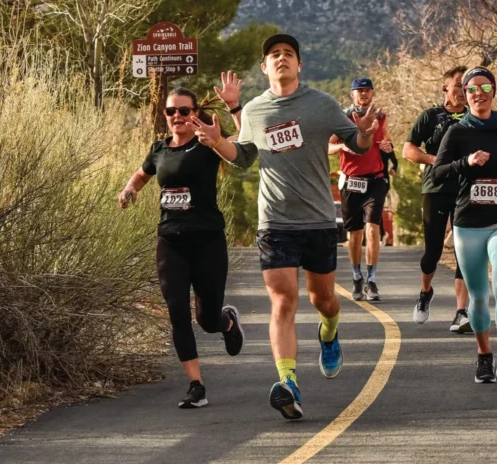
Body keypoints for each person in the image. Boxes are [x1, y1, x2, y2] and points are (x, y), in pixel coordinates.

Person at [192, 34, 378, 421]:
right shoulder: (256, 111)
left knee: (322, 300)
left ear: (299, 65)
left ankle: (329, 332)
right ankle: (288, 383)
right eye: (274, 55)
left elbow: (357, 145)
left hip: (318, 221)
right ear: (264, 67)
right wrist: (216, 142)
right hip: (275, 222)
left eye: (288, 54)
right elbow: (242, 156)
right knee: (282, 301)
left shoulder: (322, 104)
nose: (281, 59)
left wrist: (364, 132)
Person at [118, 80, 245, 409]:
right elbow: (143, 174)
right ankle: (196, 385)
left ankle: (227, 322)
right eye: (171, 111)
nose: (177, 116)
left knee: (206, 318)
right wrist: (130, 189)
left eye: (184, 110)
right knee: (177, 312)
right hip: (170, 241)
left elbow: (246, 145)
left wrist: (233, 108)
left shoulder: (208, 145)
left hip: (207, 242)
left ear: (195, 114)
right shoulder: (159, 149)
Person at [433, 67, 497, 384]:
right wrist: (466, 163)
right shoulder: (457, 132)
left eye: (485, 86)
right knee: (478, 297)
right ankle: (483, 356)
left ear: (493, 91)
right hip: (467, 224)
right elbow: (438, 172)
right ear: (464, 94)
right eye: (472, 88)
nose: (479, 93)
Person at [403, 66, 471, 332]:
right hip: (436, 187)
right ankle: (425, 291)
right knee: (432, 251)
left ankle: (461, 312)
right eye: (457, 85)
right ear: (446, 87)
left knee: (464, 250)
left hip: (466, 189)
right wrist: (436, 160)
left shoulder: (475, 117)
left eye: (467, 86)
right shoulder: (431, 116)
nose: (462, 91)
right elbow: (408, 149)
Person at [332, 78, 392, 302]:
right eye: (359, 91)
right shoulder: (343, 118)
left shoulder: (380, 116)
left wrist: (388, 145)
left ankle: (372, 279)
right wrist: (342, 146)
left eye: (367, 91)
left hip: (375, 180)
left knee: (373, 229)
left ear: (373, 93)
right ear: (352, 95)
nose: (363, 95)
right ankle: (357, 276)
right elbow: (328, 146)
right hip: (351, 181)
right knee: (355, 234)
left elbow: (386, 139)